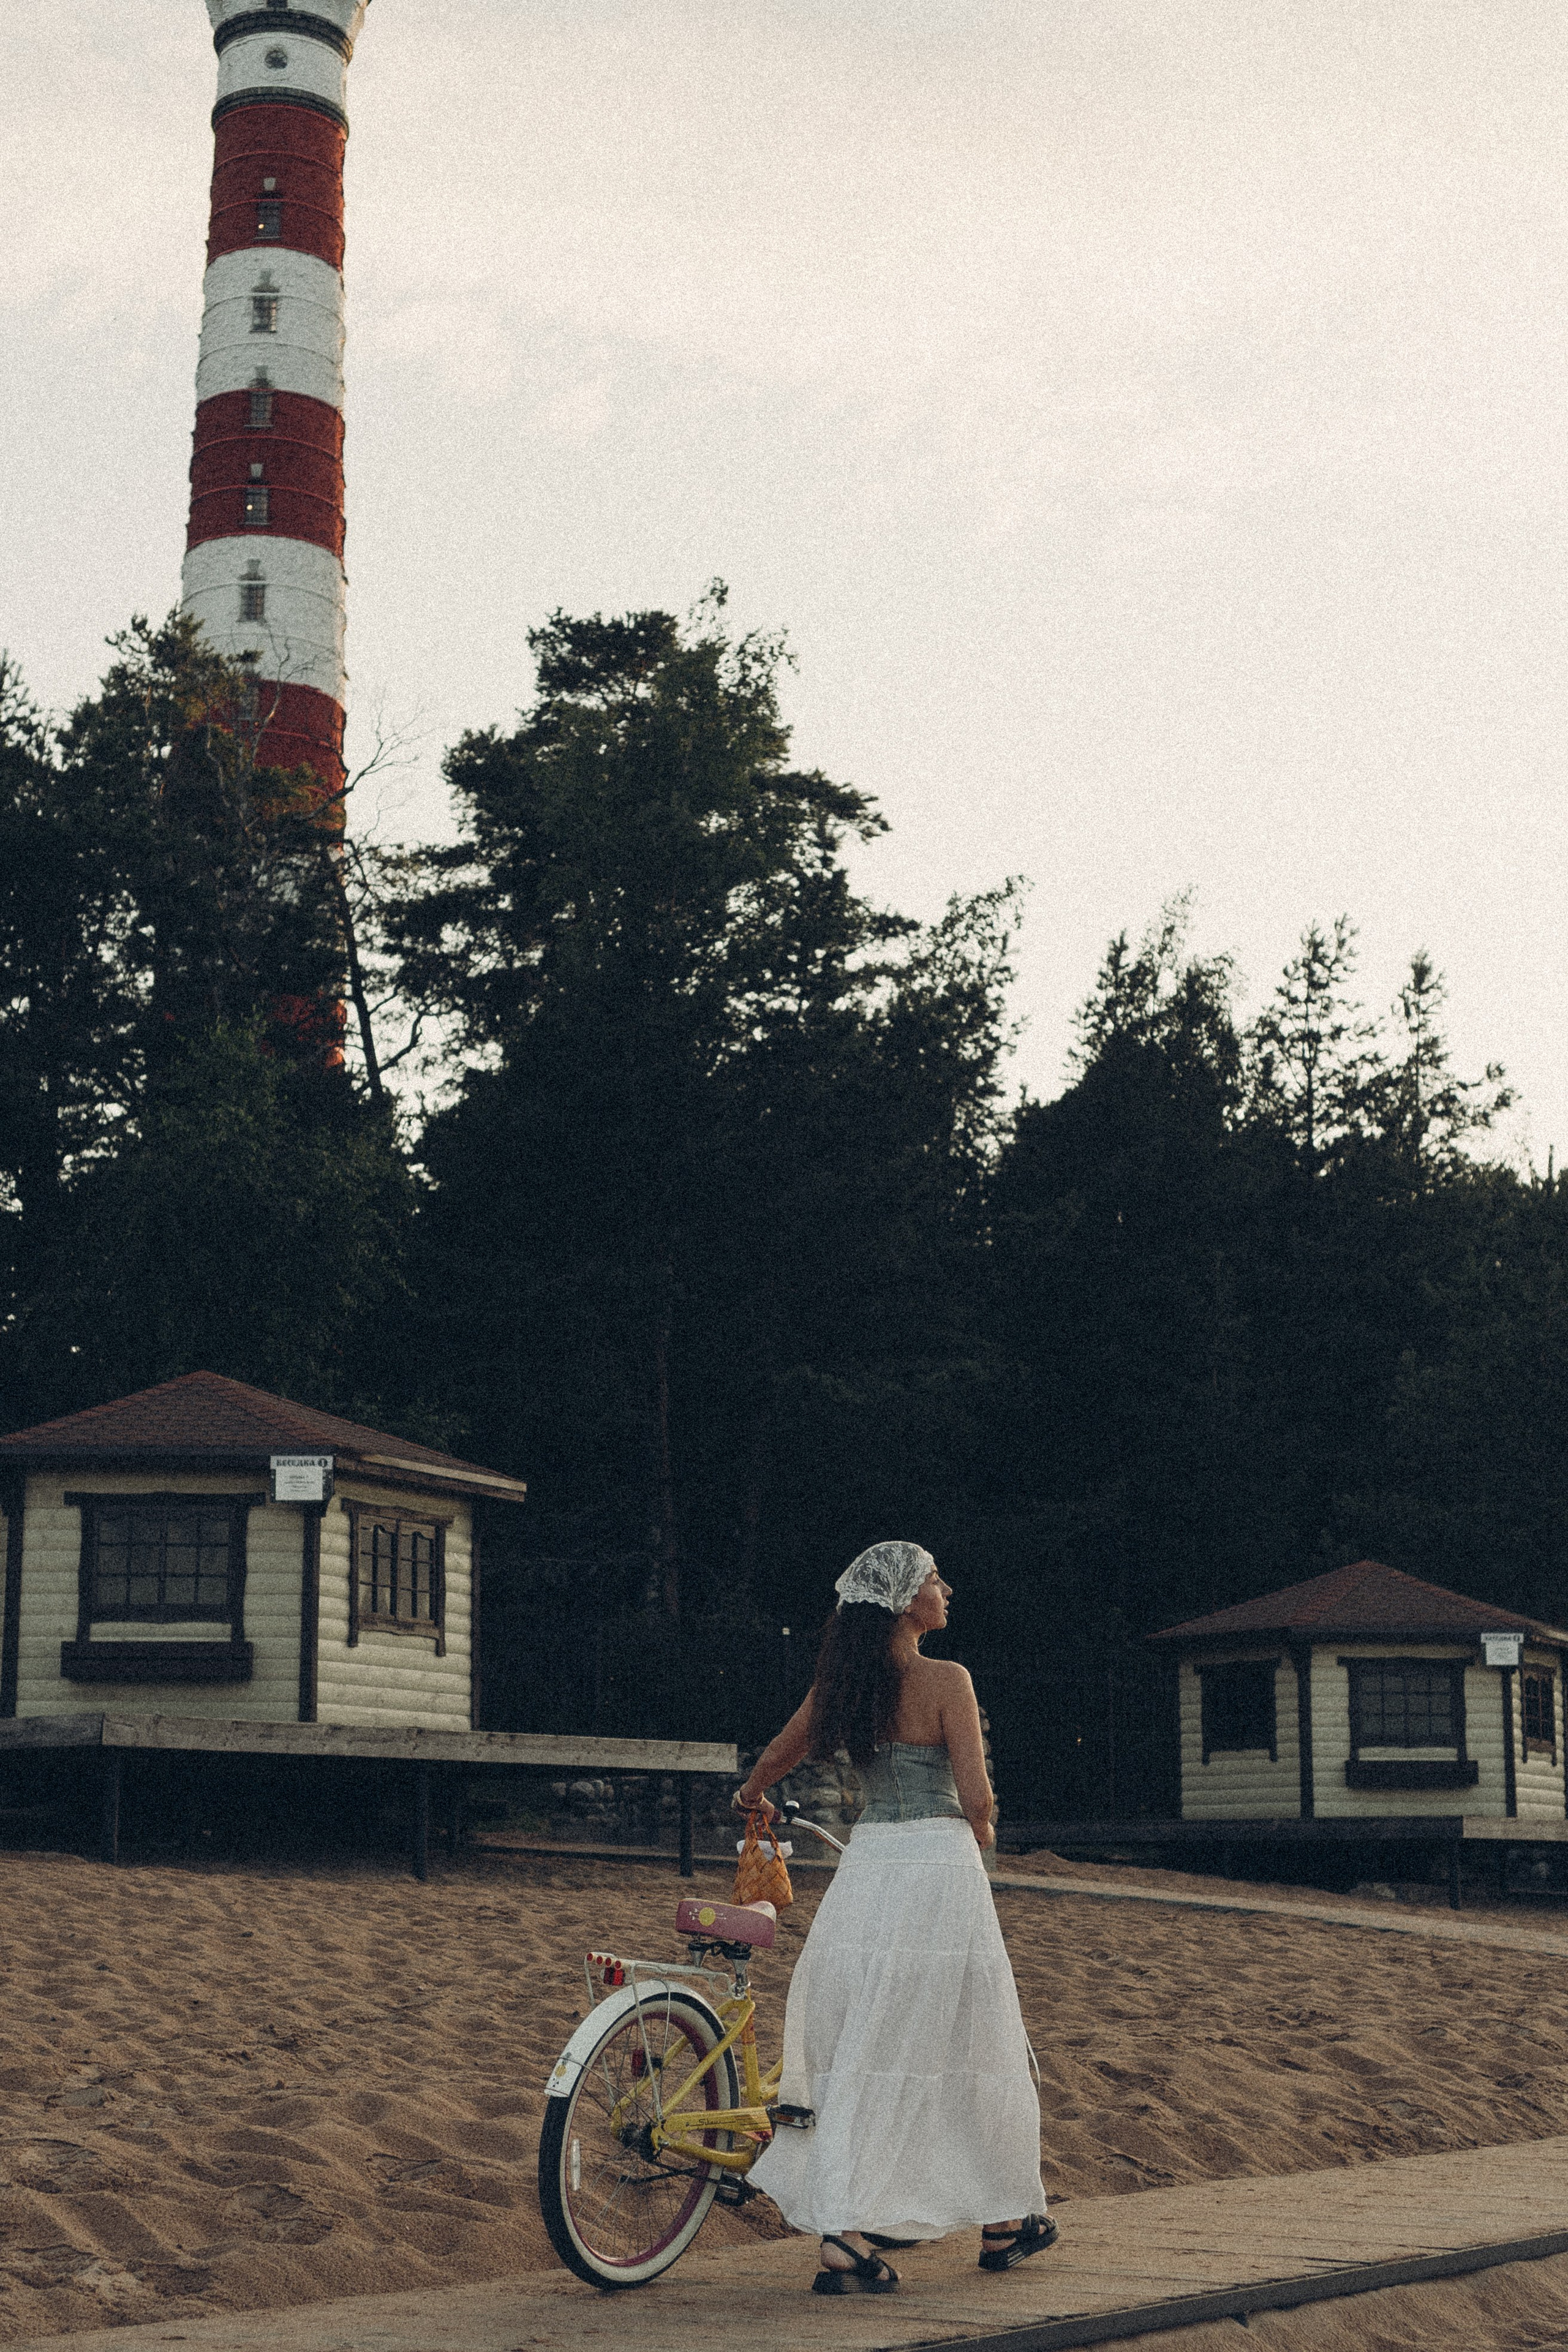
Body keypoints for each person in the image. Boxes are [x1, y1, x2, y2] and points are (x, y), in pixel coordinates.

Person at [740, 1540, 1055, 2296]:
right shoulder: (947, 1679)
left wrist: (752, 1794)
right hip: (937, 1866)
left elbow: (780, 1754)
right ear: (905, 1601)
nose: (946, 1590)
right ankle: (1002, 2218)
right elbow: (975, 1797)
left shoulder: (843, 1685)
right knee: (966, 2033)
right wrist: (981, 1829)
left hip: (871, 1864)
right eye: (934, 1580)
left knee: (866, 2038)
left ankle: (858, 2231)